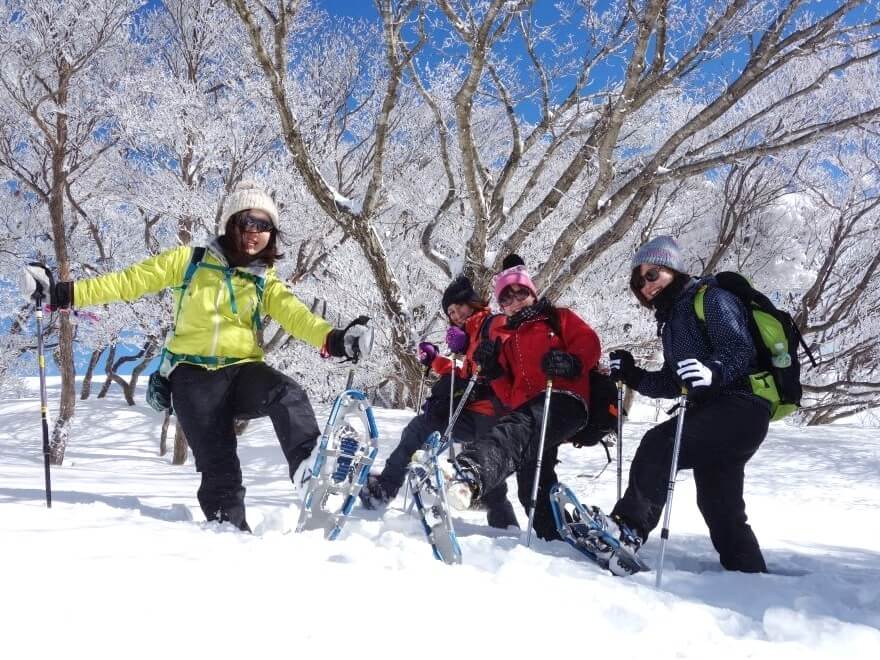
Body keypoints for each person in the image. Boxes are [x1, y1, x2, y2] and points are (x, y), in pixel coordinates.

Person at [20, 181, 372, 532]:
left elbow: (297, 315)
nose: (256, 233)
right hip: (193, 377)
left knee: (286, 392)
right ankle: (231, 538)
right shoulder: (190, 262)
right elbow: (128, 281)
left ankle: (308, 472)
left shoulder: (264, 280)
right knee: (220, 469)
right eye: (249, 221)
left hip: (242, 370)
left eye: (266, 226)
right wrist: (63, 293)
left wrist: (335, 338)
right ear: (232, 223)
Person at [606, 235, 771, 573]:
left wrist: (715, 369)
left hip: (741, 406)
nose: (646, 285)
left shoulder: (711, 298)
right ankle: (750, 576)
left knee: (660, 443)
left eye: (653, 274)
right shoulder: (670, 321)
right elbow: (672, 382)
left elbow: (739, 349)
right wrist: (634, 375)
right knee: (718, 504)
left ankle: (627, 529)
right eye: (639, 281)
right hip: (717, 415)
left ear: (674, 270)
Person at [447, 260, 601, 542]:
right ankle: (558, 535)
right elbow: (509, 395)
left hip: (565, 401)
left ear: (533, 293)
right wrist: (493, 371)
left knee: (517, 428)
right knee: (531, 485)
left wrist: (573, 361)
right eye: (506, 298)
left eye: (521, 293)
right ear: (501, 306)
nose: (515, 301)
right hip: (531, 413)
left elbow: (589, 341)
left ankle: (470, 471)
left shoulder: (558, 318)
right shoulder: (508, 341)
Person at [359, 274, 519, 529]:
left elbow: (498, 362)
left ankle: (385, 489)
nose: (455, 316)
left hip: (491, 412)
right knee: (488, 477)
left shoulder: (494, 324)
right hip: (479, 413)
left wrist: (474, 351)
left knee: (421, 430)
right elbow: (465, 374)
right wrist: (435, 361)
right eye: (450, 313)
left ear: (472, 302)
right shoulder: (472, 334)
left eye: (457, 309)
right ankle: (506, 529)